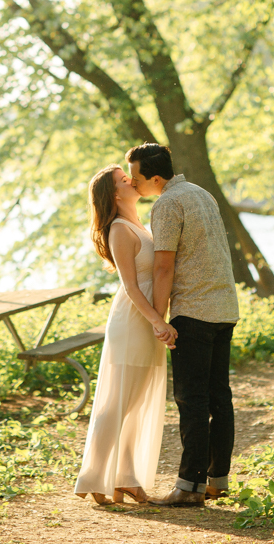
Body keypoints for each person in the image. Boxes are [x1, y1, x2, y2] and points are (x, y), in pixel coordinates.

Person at [126, 142, 240, 508]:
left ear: (155, 178)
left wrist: (158, 319)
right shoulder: (201, 194)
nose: (132, 184)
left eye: (136, 178)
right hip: (224, 308)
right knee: (219, 397)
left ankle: (188, 486)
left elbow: (163, 266)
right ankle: (217, 481)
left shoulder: (166, 203)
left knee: (191, 400)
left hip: (194, 311)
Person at [73, 164, 171, 506]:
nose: (131, 179)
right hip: (133, 319)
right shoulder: (118, 229)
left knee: (137, 401)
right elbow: (130, 287)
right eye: (123, 178)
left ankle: (125, 478)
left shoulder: (138, 223)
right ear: (115, 193)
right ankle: (93, 477)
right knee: (120, 401)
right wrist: (158, 321)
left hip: (146, 318)